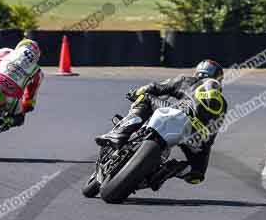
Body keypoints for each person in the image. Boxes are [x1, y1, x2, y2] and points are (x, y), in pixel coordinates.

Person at [96, 59, 227, 188]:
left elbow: (156, 87)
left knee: (146, 97)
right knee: (196, 175)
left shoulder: (188, 80)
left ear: (198, 72)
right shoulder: (223, 103)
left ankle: (119, 133)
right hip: (197, 135)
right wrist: (202, 148)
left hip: (177, 115)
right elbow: (213, 130)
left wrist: (136, 92)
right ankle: (170, 169)